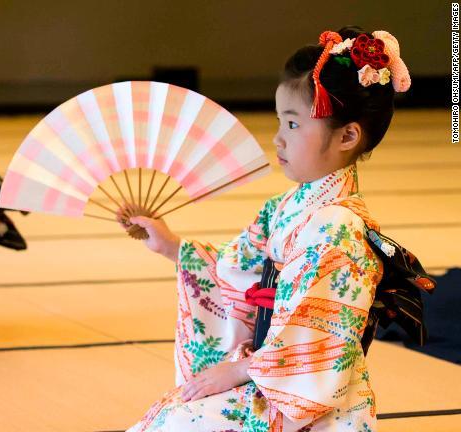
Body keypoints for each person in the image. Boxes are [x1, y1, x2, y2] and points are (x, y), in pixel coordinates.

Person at [126, 27, 411, 431]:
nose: (277, 139)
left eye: (293, 125)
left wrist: (241, 370)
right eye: (280, 121)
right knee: (170, 416)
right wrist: (173, 247)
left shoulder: (339, 229)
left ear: (348, 135)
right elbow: (236, 270)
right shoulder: (286, 208)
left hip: (301, 395)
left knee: (182, 420)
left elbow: (316, 342)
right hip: (266, 370)